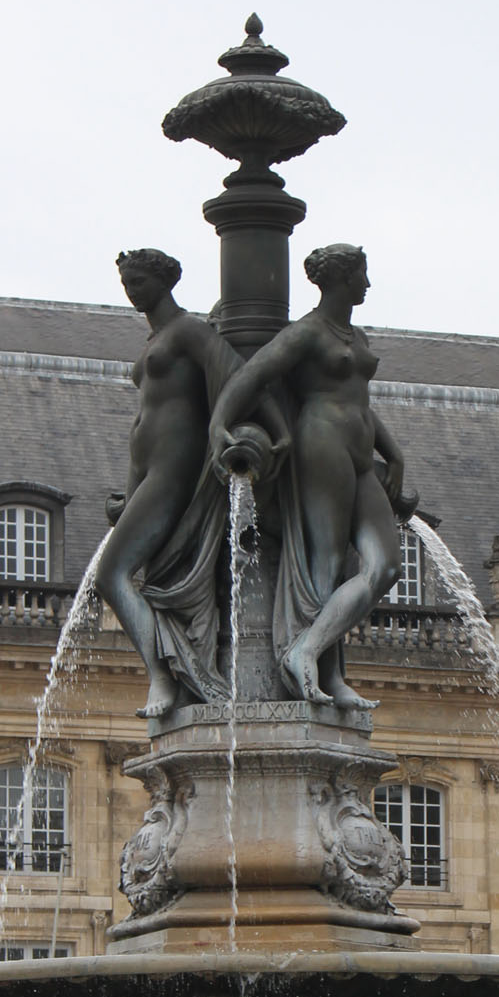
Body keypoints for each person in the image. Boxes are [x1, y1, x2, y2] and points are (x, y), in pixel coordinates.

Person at [207, 243, 413, 708]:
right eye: (362, 274)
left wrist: (393, 453)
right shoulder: (307, 332)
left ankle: (307, 648)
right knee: (328, 568)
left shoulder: (353, 335)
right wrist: (219, 423)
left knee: (385, 567)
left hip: (360, 451)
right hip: (322, 445)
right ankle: (322, 671)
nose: (367, 283)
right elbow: (251, 374)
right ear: (340, 279)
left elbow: (358, 399)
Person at [104, 250, 282, 716]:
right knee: (124, 575)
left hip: (176, 471)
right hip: (150, 473)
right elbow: (141, 424)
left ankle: (165, 677)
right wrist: (128, 490)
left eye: (139, 281)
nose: (131, 290)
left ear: (164, 282)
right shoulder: (156, 339)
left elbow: (242, 377)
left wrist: (278, 432)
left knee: (111, 574)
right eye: (126, 281)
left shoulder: (187, 330)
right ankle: (170, 672)